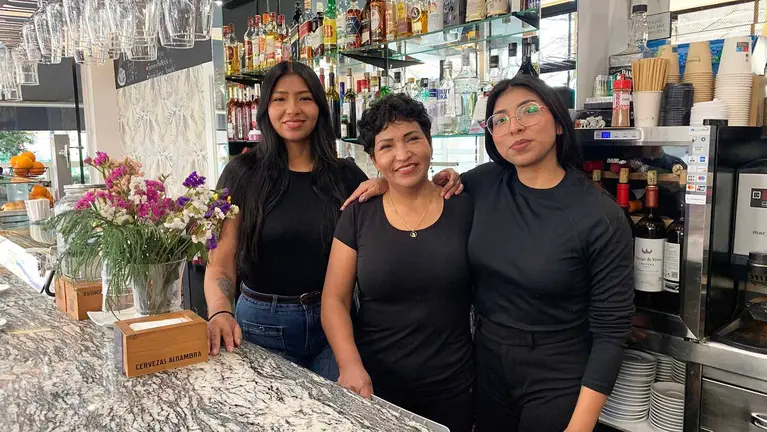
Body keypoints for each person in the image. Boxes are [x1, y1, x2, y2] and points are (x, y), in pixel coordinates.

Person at [343, 75, 634, 431]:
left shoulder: (599, 216)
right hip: (487, 369)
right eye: (500, 119)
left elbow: (611, 332)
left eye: (528, 111)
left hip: (556, 378)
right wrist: (383, 182)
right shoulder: (483, 183)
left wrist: (581, 425)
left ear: (559, 122)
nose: (515, 127)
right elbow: (423, 184)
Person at [204, 61, 462, 381]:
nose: (293, 109)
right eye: (280, 99)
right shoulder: (240, 173)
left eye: (305, 98)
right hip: (263, 324)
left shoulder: (345, 174)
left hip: (335, 329)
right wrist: (219, 310)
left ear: (320, 107)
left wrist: (395, 182)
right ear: (265, 108)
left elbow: (398, 193)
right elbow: (219, 263)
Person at [321, 94, 474, 432]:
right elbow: (334, 299)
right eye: (387, 146)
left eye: (412, 139)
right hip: (375, 384)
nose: (403, 155)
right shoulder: (359, 213)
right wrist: (349, 365)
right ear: (374, 159)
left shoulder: (463, 206)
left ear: (430, 143)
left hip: (453, 384)